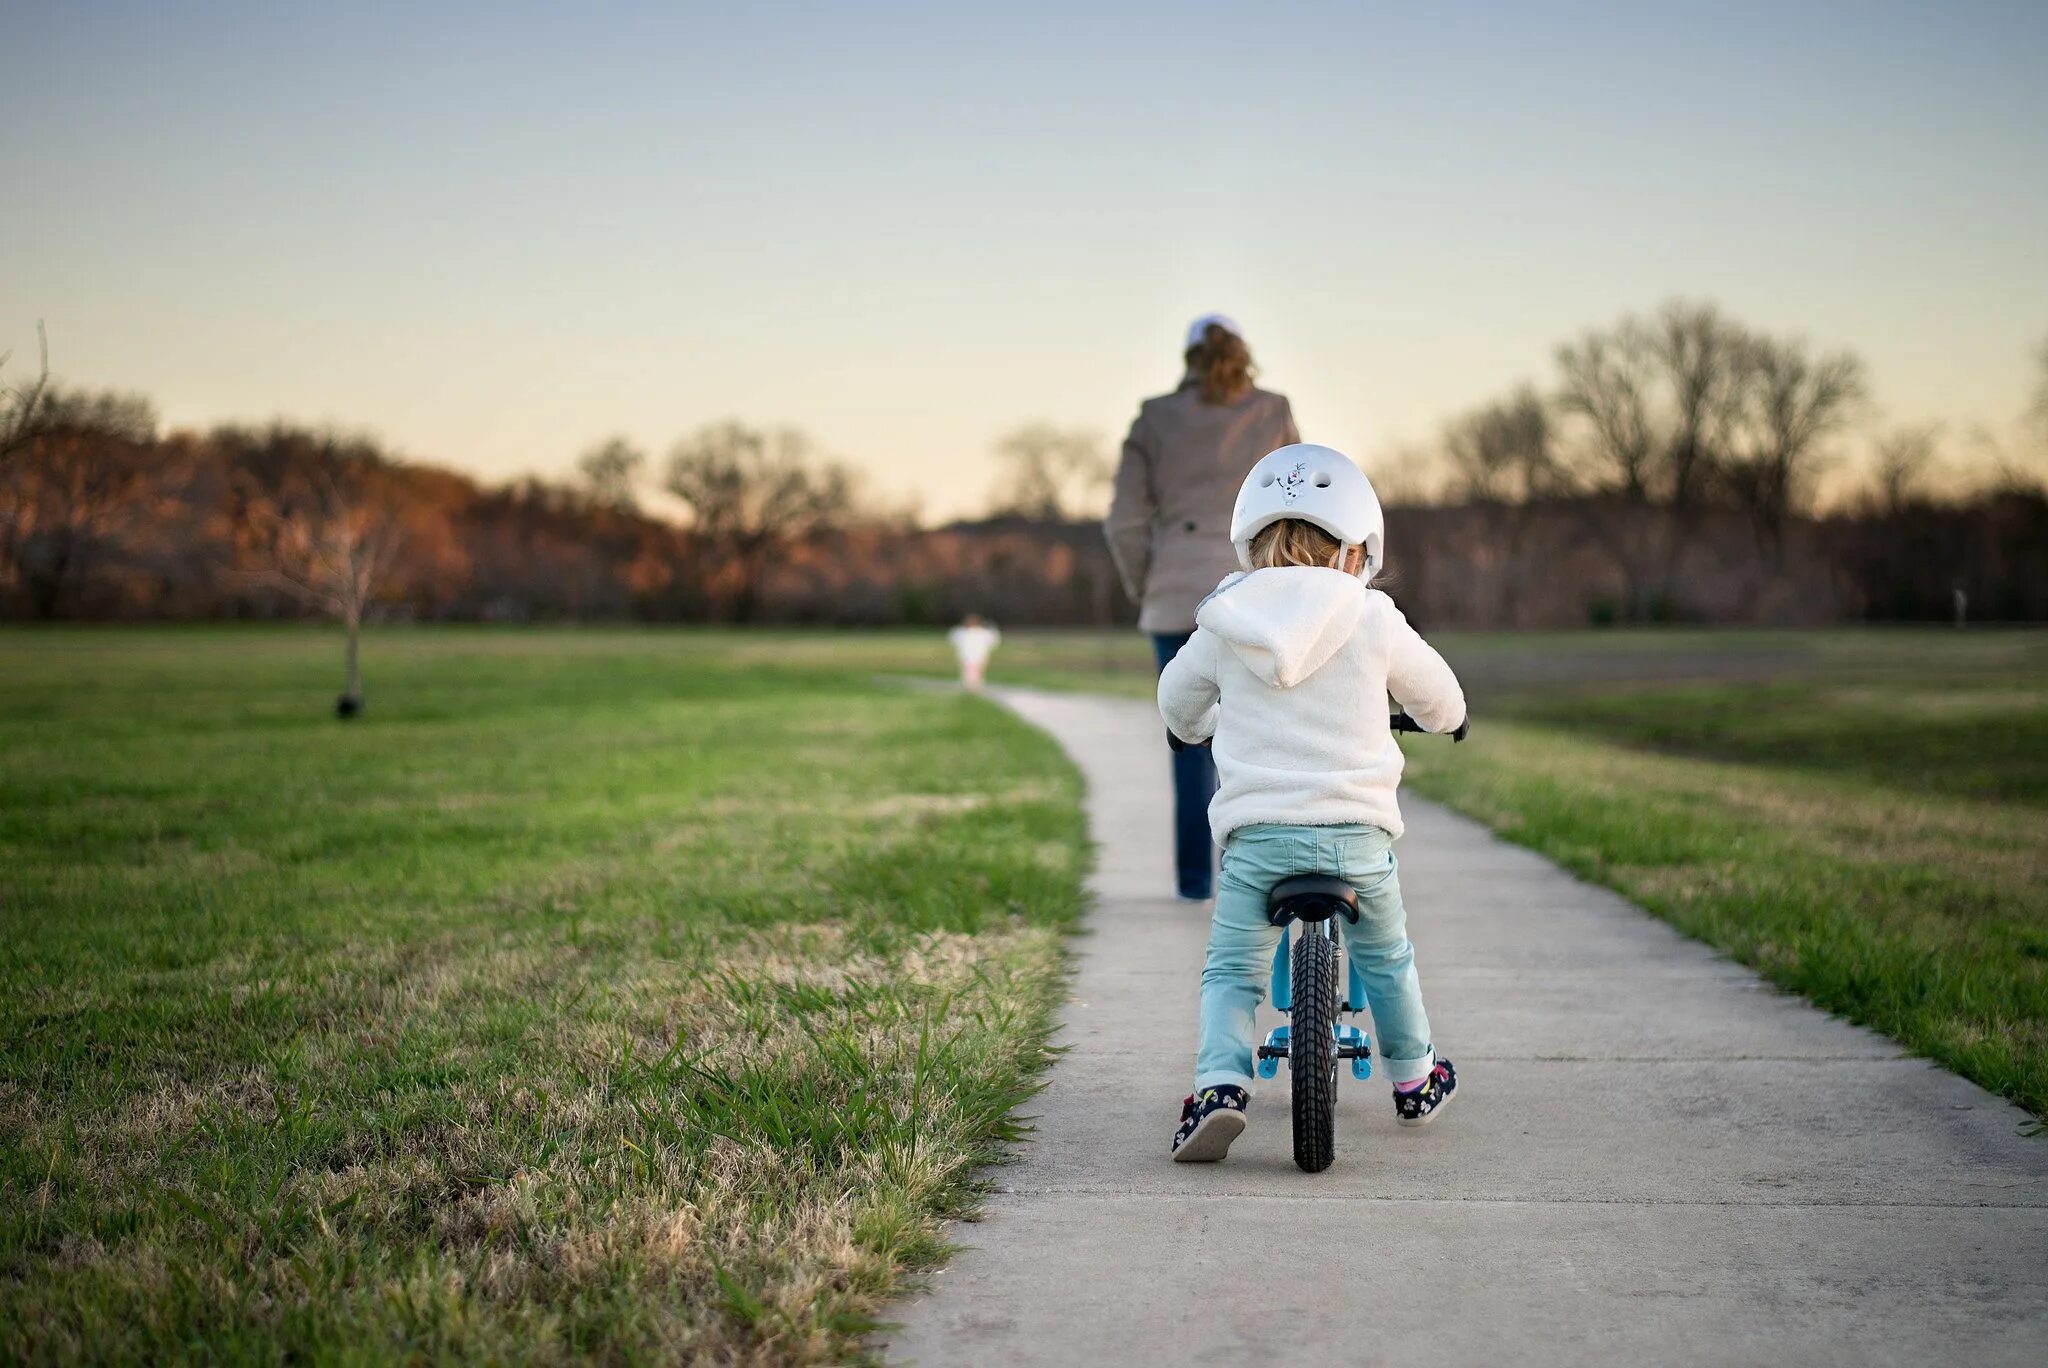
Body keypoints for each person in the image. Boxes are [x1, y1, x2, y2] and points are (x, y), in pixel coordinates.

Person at [1157, 443, 1468, 1162]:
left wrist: (1189, 729)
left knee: (1231, 971)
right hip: (1357, 839)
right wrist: (1450, 720)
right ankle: (1415, 1081)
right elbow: (1440, 696)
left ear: (1248, 542)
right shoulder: (1374, 616)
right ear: (1360, 548)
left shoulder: (1226, 619)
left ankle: (1220, 1089)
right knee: (1388, 956)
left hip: (1259, 838)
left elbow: (1177, 702)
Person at [1105, 314, 1299, 902]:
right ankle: (1257, 877)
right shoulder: (1273, 410)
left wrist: (1148, 584)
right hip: (1259, 592)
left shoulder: (1155, 417)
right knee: (1268, 737)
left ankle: (1194, 885)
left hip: (1176, 593)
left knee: (1188, 739)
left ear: (1187, 358)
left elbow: (1125, 521)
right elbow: (1299, 498)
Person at [948, 613, 1001, 691]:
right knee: (971, 669)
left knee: (975, 669)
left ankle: (974, 684)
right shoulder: (964, 633)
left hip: (976, 656)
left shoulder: (982, 633)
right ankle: (971, 684)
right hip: (971, 656)